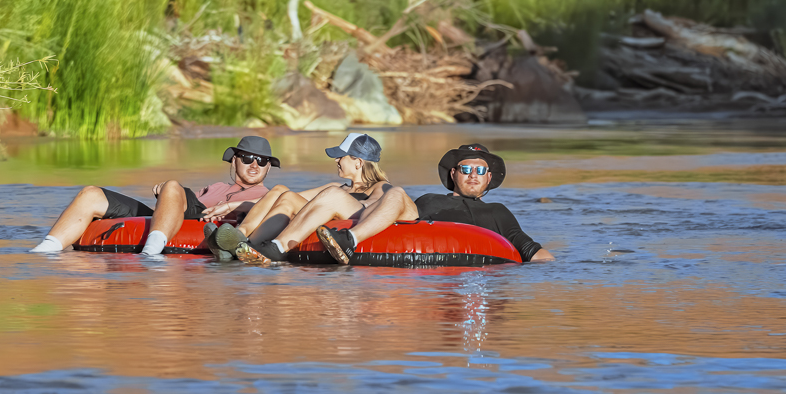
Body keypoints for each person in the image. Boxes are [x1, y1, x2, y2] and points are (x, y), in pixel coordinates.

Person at [235, 143, 555, 264]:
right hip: (416, 235)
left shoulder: (499, 213)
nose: (473, 175)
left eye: (480, 170)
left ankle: (344, 241)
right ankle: (274, 246)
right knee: (396, 193)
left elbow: (529, 250)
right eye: (466, 169)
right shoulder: (430, 200)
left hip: (480, 256)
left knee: (390, 190)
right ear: (454, 173)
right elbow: (400, 219)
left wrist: (566, 272)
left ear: (488, 178)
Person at [29, 136, 279, 255]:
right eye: (247, 158)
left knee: (172, 185)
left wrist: (238, 203)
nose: (254, 164)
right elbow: (180, 198)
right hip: (185, 211)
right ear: (234, 160)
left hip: (206, 224)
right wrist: (170, 194)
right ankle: (44, 250)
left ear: (269, 166)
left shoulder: (268, 194)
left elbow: (285, 204)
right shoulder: (213, 186)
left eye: (262, 161)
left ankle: (151, 254)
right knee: (91, 193)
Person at [200, 133, 392, 260]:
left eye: (341, 157)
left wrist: (338, 203)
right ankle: (240, 240)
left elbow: (377, 208)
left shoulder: (380, 187)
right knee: (280, 191)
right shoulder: (337, 186)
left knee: (294, 197)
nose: (336, 160)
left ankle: (245, 243)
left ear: (358, 163)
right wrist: (231, 206)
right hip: (325, 211)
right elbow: (283, 198)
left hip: (348, 220)